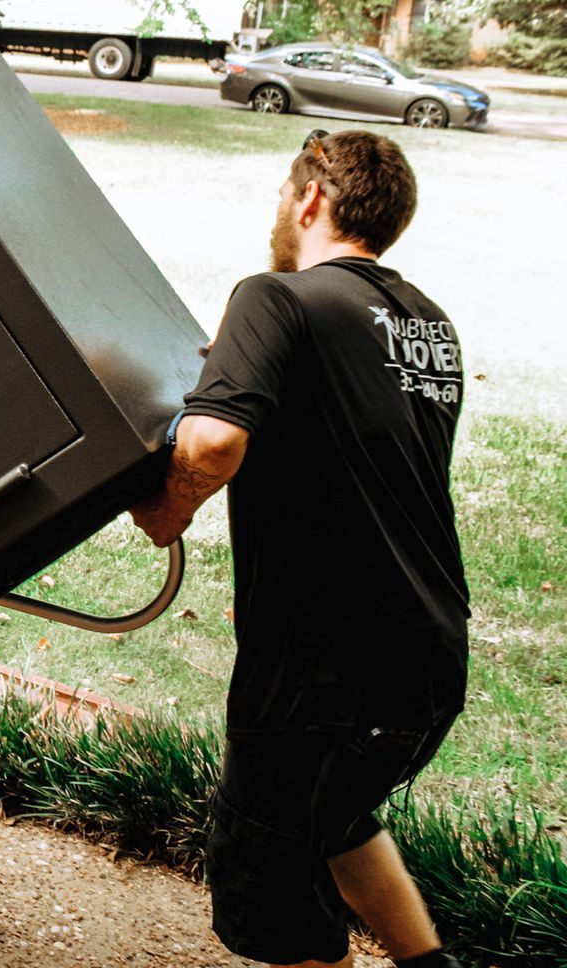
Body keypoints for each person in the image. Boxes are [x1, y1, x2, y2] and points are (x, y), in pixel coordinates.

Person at [129, 129, 468, 968]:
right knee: (340, 819)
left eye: (285, 195)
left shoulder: (275, 298)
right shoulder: (428, 324)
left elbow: (209, 446)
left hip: (321, 672)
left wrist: (161, 511)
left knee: (275, 904)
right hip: (426, 659)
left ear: (311, 199)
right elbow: (352, 440)